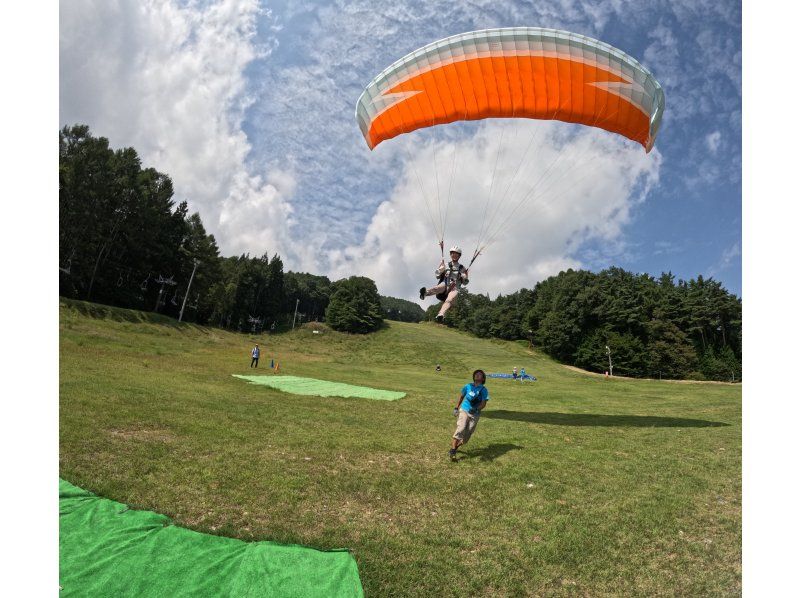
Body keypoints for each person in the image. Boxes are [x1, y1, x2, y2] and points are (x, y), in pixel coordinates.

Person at [420, 246, 469, 323]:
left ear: (459, 256)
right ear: (450, 254)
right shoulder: (445, 265)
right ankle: (425, 293)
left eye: (456, 254)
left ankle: (441, 314)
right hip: (445, 284)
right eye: (452, 253)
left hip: (455, 288)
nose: (454, 255)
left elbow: (465, 283)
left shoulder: (463, 268)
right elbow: (437, 276)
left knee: (449, 299)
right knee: (438, 288)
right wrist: (440, 270)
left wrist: (463, 277)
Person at [448, 369, 489, 461]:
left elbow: (483, 404)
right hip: (464, 410)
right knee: (461, 428)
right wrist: (456, 408)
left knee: (467, 435)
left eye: (480, 375)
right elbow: (461, 397)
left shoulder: (483, 390)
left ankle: (455, 447)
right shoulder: (467, 386)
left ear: (483, 379)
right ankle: (453, 451)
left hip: (475, 414)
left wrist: (476, 409)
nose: (477, 375)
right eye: (476, 374)